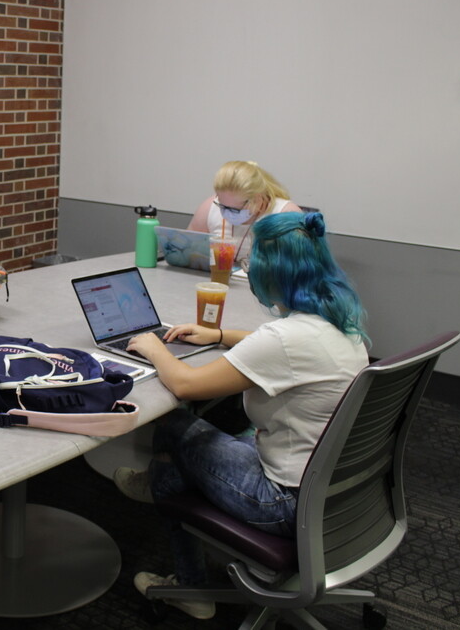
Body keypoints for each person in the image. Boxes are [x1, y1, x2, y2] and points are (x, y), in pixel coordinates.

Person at [115, 211, 368, 620]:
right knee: (181, 458)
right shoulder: (340, 320)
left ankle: (190, 582)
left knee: (175, 424)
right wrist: (218, 335)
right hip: (335, 490)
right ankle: (163, 485)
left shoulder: (283, 339)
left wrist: (153, 346)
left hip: (283, 502)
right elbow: (281, 346)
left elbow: (186, 386)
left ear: (271, 275)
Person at [187, 160, 303, 264]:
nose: (226, 213)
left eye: (235, 209)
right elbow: (187, 249)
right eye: (222, 205)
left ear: (258, 198)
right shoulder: (210, 207)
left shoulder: (286, 214)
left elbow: (301, 268)